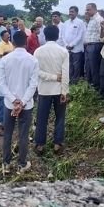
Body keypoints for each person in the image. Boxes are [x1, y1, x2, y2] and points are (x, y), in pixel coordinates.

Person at [0, 31, 39, 173]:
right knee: (23, 134)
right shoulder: (32, 60)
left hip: (9, 105)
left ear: (12, 43)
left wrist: (14, 101)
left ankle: (6, 164)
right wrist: (23, 102)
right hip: (26, 106)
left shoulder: (5, 60)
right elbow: (33, 85)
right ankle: (22, 164)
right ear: (25, 43)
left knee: (8, 133)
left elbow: (1, 84)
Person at [34, 24, 70, 155]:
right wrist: (65, 91)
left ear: (45, 35)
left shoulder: (38, 51)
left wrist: (51, 77)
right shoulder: (63, 51)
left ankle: (40, 144)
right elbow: (65, 73)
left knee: (41, 118)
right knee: (60, 117)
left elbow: (37, 72)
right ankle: (57, 143)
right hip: (59, 90)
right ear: (57, 35)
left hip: (44, 90)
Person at [83, 3, 104, 93]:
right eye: (86, 9)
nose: (87, 11)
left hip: (95, 45)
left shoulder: (99, 19)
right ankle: (91, 85)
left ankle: (96, 87)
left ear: (94, 9)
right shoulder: (91, 19)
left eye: (88, 10)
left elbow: (102, 34)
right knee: (88, 67)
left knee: (94, 68)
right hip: (89, 46)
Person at [62, 6, 87, 83]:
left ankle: (75, 82)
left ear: (76, 13)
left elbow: (80, 35)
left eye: (72, 11)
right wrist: (66, 45)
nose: (70, 13)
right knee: (69, 65)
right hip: (67, 48)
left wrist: (72, 45)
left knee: (76, 66)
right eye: (70, 11)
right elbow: (63, 35)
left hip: (77, 48)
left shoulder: (80, 22)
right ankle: (69, 81)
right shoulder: (66, 23)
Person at [0, 29, 14, 127]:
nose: (9, 37)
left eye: (9, 36)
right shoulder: (1, 63)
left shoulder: (10, 44)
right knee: (1, 107)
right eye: (7, 36)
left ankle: (4, 123)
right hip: (1, 90)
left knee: (5, 106)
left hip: (5, 89)